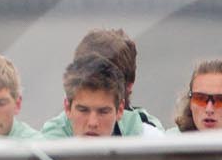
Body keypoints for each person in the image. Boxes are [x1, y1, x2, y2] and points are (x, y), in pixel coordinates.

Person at [30, 28, 167, 138]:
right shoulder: (48, 143)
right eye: (83, 110)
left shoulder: (148, 135)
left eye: (103, 111)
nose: (92, 122)